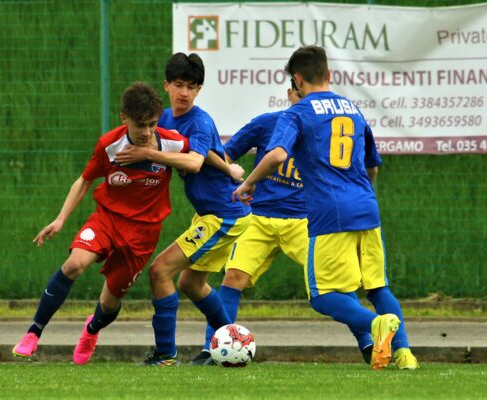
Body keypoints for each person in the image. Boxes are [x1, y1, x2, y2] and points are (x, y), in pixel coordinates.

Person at [233, 45, 419, 370]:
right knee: (377, 286)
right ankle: (405, 355)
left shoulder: (298, 112)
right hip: (366, 208)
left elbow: (277, 155)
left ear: (298, 80)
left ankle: (375, 326)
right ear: (329, 75)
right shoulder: (352, 109)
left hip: (330, 216)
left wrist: (249, 183)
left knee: (322, 296)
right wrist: (360, 192)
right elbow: (372, 165)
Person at [191, 87, 373, 366]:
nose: (306, 104)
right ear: (291, 94)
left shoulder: (322, 131)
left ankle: (370, 343)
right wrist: (229, 177)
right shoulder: (268, 123)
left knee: (334, 285)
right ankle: (212, 349)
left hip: (304, 221)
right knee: (233, 278)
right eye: (301, 97)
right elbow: (226, 155)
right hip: (258, 218)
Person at [12, 82, 189, 365]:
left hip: (143, 235)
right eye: (140, 125)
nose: (146, 132)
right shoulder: (110, 145)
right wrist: (60, 219)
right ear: (124, 118)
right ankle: (33, 333)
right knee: (73, 265)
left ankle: (91, 329)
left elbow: (199, 158)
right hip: (107, 219)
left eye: (152, 124)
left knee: (109, 303)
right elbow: (84, 180)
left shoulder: (172, 142)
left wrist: (228, 168)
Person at [115, 52, 252, 366]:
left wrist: (147, 153)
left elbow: (193, 159)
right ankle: (233, 345)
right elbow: (197, 150)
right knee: (190, 283)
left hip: (224, 215)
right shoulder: (163, 118)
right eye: (178, 84)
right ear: (166, 85)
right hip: (212, 213)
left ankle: (165, 354)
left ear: (199, 90)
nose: (184, 92)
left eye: (191, 86)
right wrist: (228, 168)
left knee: (159, 271)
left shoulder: (200, 121)